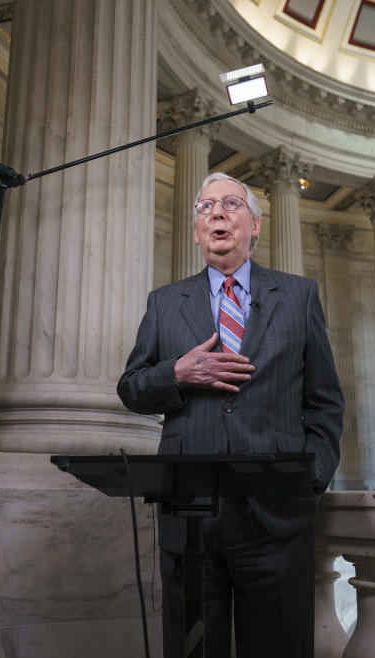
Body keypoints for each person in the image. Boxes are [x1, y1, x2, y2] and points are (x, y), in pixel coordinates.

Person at [117, 172, 344, 658]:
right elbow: (131, 389)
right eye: (205, 208)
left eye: (230, 204)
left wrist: (312, 476)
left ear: (255, 226)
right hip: (190, 512)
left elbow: (324, 402)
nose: (216, 213)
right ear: (198, 230)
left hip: (275, 509)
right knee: (193, 649)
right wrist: (176, 373)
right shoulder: (164, 303)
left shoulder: (299, 295)